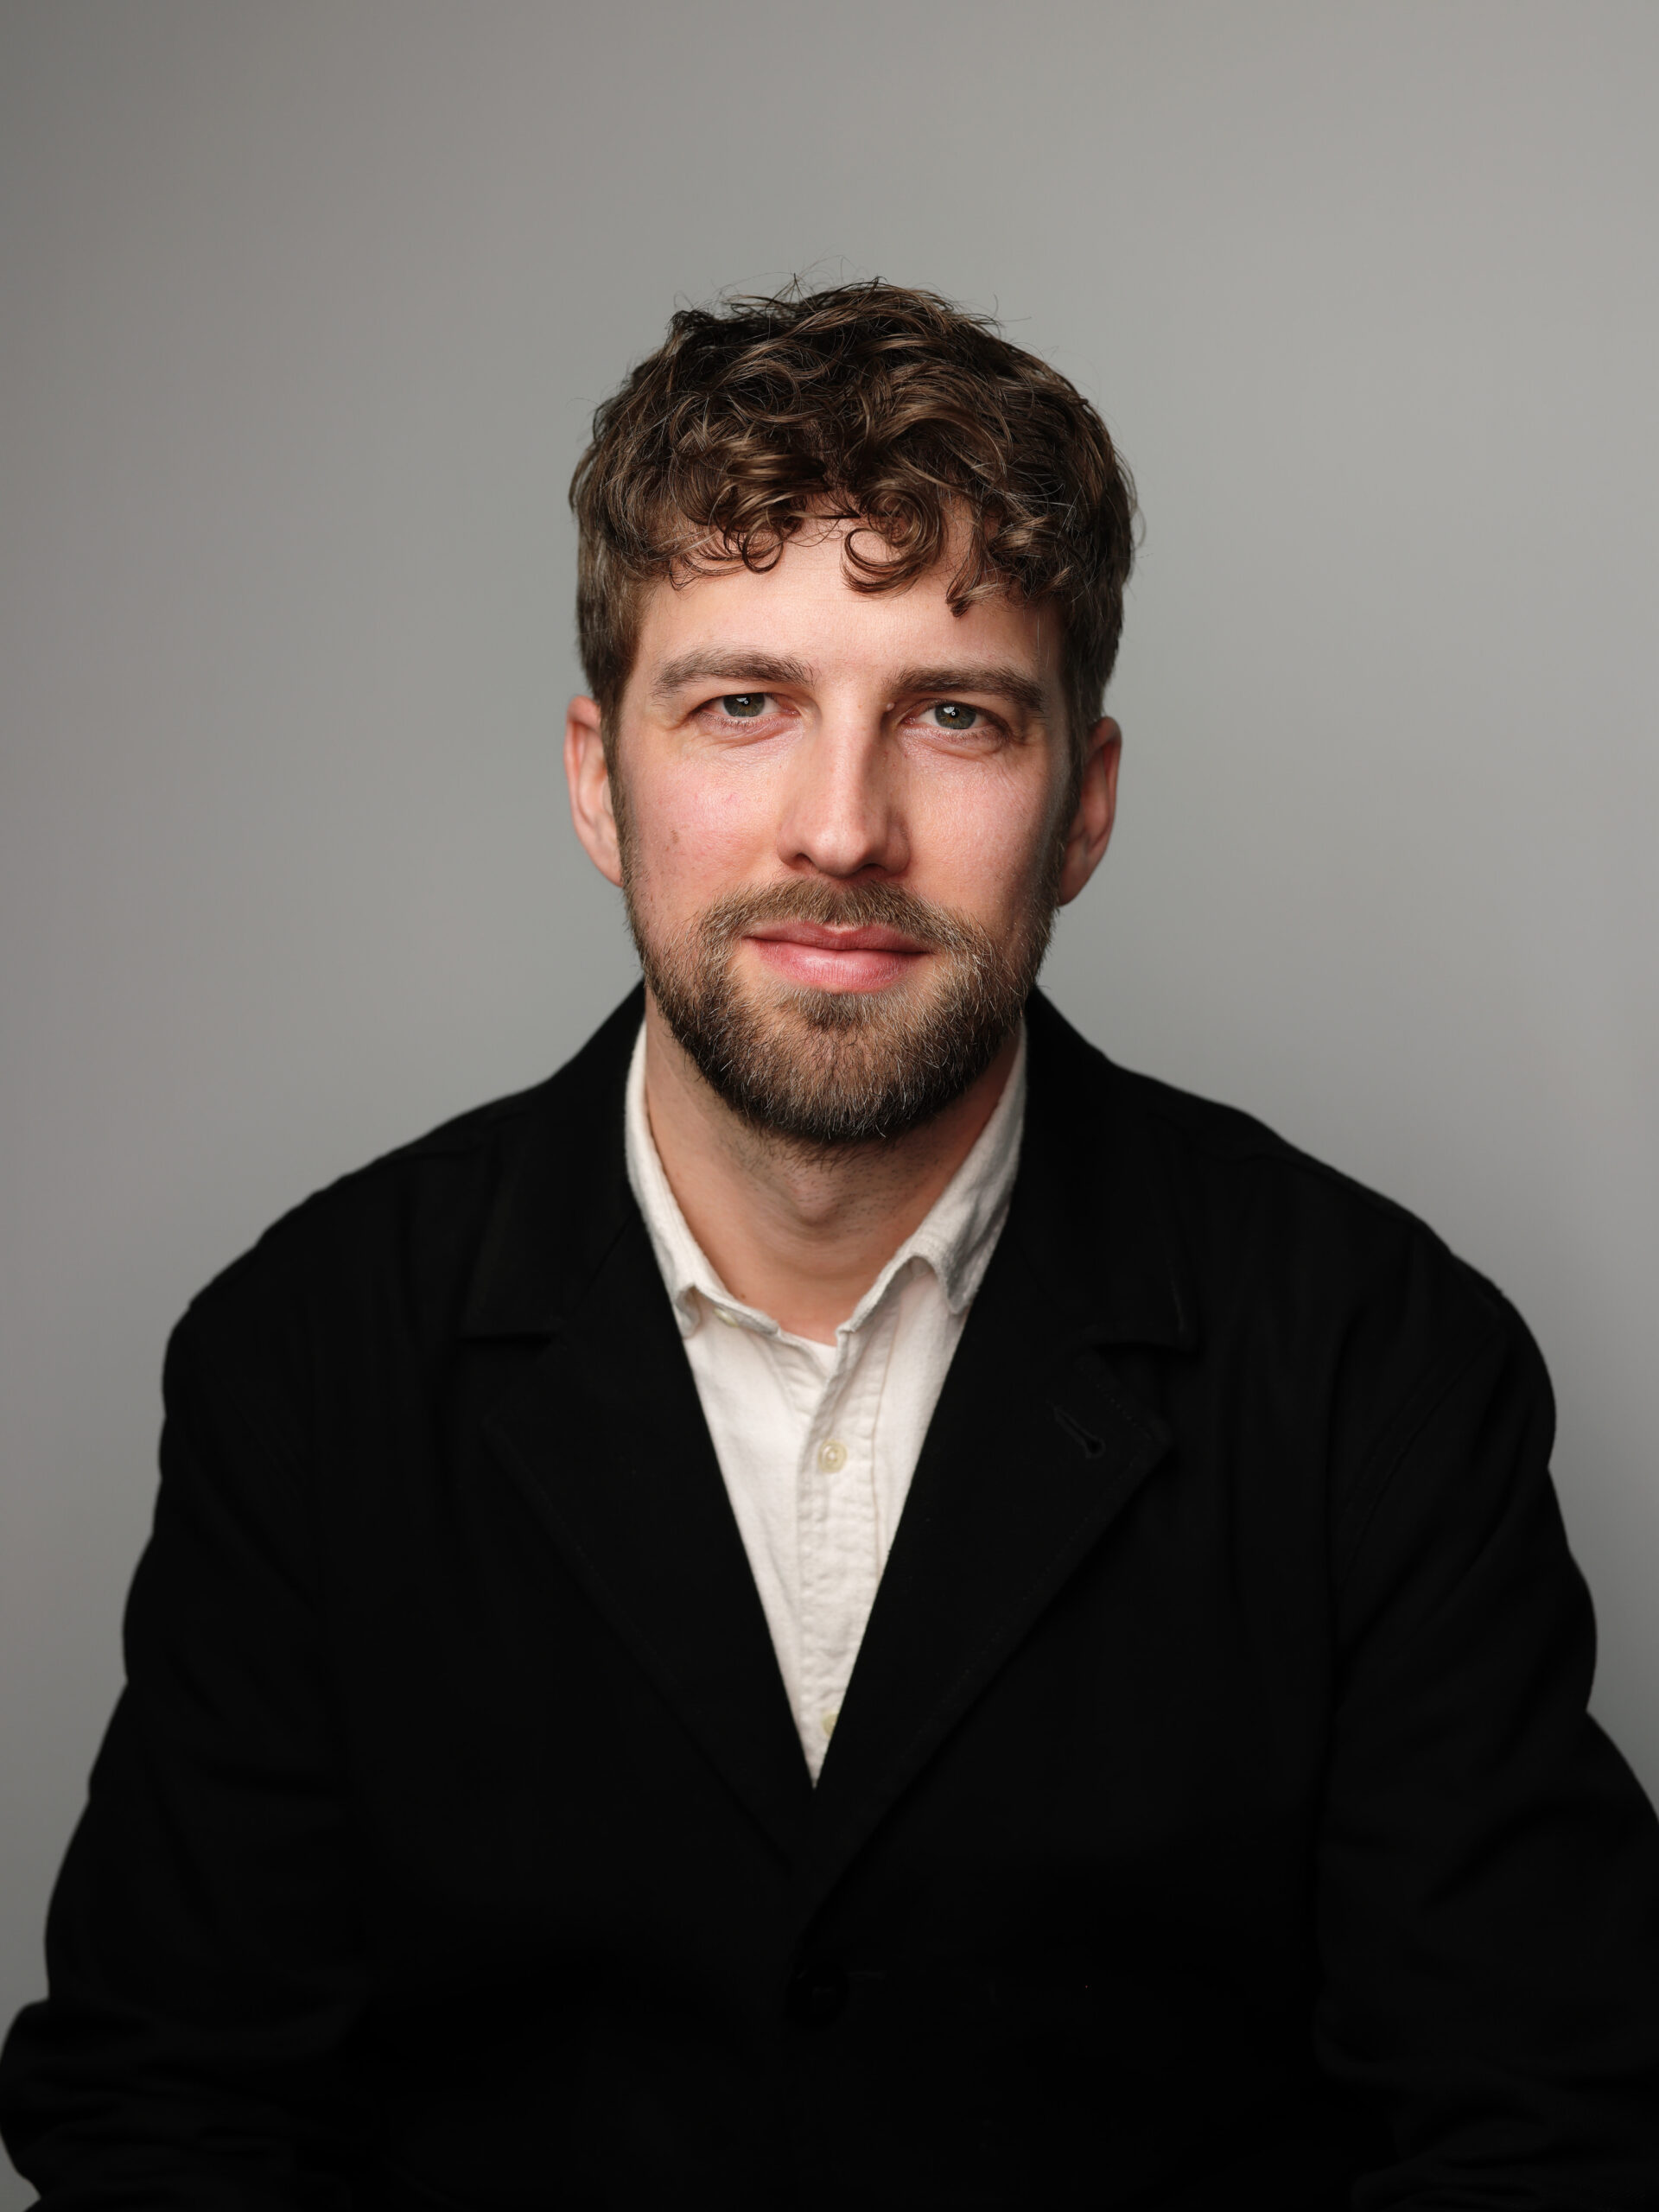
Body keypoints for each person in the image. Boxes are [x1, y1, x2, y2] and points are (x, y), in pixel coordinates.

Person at [3, 279, 1658, 2211]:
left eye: (954, 715)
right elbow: (169, 2126)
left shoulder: (1379, 1359)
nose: (844, 828)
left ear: (1084, 805)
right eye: (743, 705)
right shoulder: (307, 1359)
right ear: (598, 780)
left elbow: (1549, 2136)